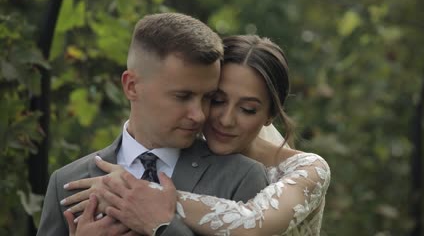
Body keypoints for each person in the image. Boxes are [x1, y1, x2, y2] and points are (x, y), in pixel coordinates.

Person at [63, 35, 331, 235]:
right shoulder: (175, 154)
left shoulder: (308, 169)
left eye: (248, 109)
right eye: (216, 100)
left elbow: (254, 223)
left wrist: (132, 190)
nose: (226, 120)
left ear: (270, 115)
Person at [36, 14, 269, 236]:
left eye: (208, 98)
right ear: (132, 86)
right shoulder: (66, 182)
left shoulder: (241, 178)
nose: (199, 115)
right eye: (182, 96)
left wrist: (163, 227)